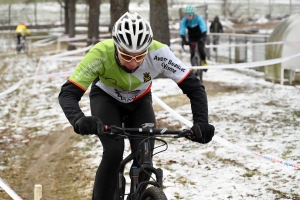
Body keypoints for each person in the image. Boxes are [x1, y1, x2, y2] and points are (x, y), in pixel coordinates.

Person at [58, 12, 215, 200]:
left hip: (140, 100)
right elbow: (68, 93)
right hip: (106, 98)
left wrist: (201, 122)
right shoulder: (100, 53)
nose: (133, 63)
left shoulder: (160, 53)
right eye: (126, 55)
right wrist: (79, 119)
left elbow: (195, 88)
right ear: (116, 47)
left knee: (144, 154)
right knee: (114, 152)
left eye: (140, 56)